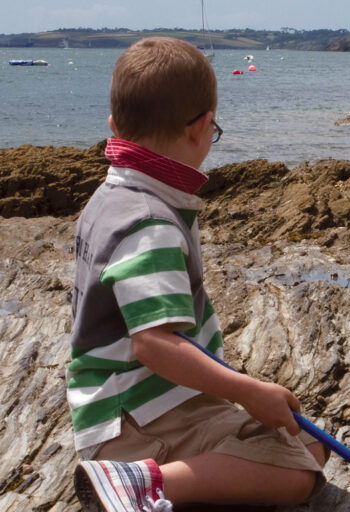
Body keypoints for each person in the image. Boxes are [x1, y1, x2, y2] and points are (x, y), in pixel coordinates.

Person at [69, 37, 326, 511]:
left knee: (310, 444)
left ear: (114, 125)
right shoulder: (149, 222)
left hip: (148, 404)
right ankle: (139, 486)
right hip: (137, 418)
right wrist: (246, 391)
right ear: (202, 127)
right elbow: (154, 342)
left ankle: (147, 479)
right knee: (299, 473)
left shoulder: (113, 198)